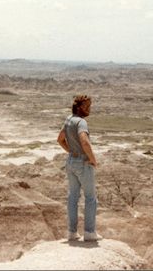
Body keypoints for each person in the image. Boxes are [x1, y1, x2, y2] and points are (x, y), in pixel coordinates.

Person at [57, 94, 102, 242]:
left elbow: (60, 139)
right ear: (80, 107)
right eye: (87, 106)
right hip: (83, 162)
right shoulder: (81, 122)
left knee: (73, 197)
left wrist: (71, 152)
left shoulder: (69, 120)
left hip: (70, 162)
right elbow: (85, 141)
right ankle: (89, 233)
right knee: (90, 198)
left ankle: (72, 232)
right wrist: (93, 160)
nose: (89, 109)